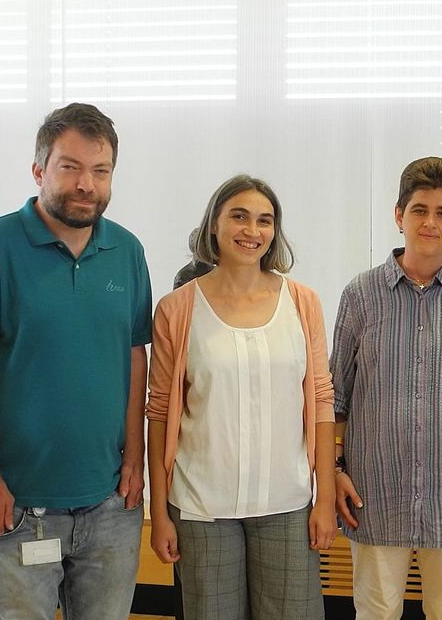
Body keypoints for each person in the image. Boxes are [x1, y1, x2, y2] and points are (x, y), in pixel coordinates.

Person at [0, 102, 151, 618]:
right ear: (39, 170)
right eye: (70, 167)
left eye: (100, 172)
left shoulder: (126, 251)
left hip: (108, 507)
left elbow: (134, 358)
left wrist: (134, 459)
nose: (86, 184)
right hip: (15, 505)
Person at [145, 174, 337, 619]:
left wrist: (323, 499)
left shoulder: (303, 302)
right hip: (201, 504)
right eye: (239, 217)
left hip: (287, 503)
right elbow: (158, 411)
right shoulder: (177, 308)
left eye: (264, 221)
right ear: (214, 224)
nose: (252, 231)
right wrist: (159, 511)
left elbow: (322, 403)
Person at [331, 156, 442, 620]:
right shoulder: (360, 295)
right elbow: (337, 397)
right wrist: (334, 467)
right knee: (376, 613)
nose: (430, 222)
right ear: (399, 215)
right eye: (419, 210)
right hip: (373, 494)